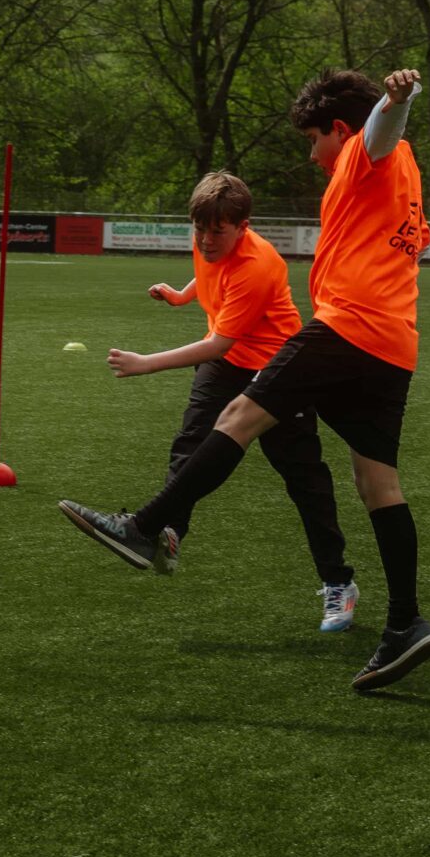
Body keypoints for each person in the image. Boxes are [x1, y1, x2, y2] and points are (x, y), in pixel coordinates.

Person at [59, 68, 430, 693]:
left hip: (347, 326)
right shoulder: (409, 176)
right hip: (396, 343)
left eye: (313, 140)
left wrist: (396, 99)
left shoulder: (365, 154)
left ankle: (144, 528)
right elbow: (417, 238)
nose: (312, 154)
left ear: (338, 130)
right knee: (377, 483)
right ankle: (405, 623)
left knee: (238, 417)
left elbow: (378, 130)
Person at [109, 170, 361, 633]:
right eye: (199, 229)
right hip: (228, 363)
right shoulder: (209, 236)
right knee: (190, 444)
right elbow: (210, 275)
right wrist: (182, 296)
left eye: (217, 232)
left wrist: (146, 363)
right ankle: (168, 534)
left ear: (243, 227)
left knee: (304, 480)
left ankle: (338, 582)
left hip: (279, 369)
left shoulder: (257, 265)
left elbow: (217, 344)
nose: (206, 241)